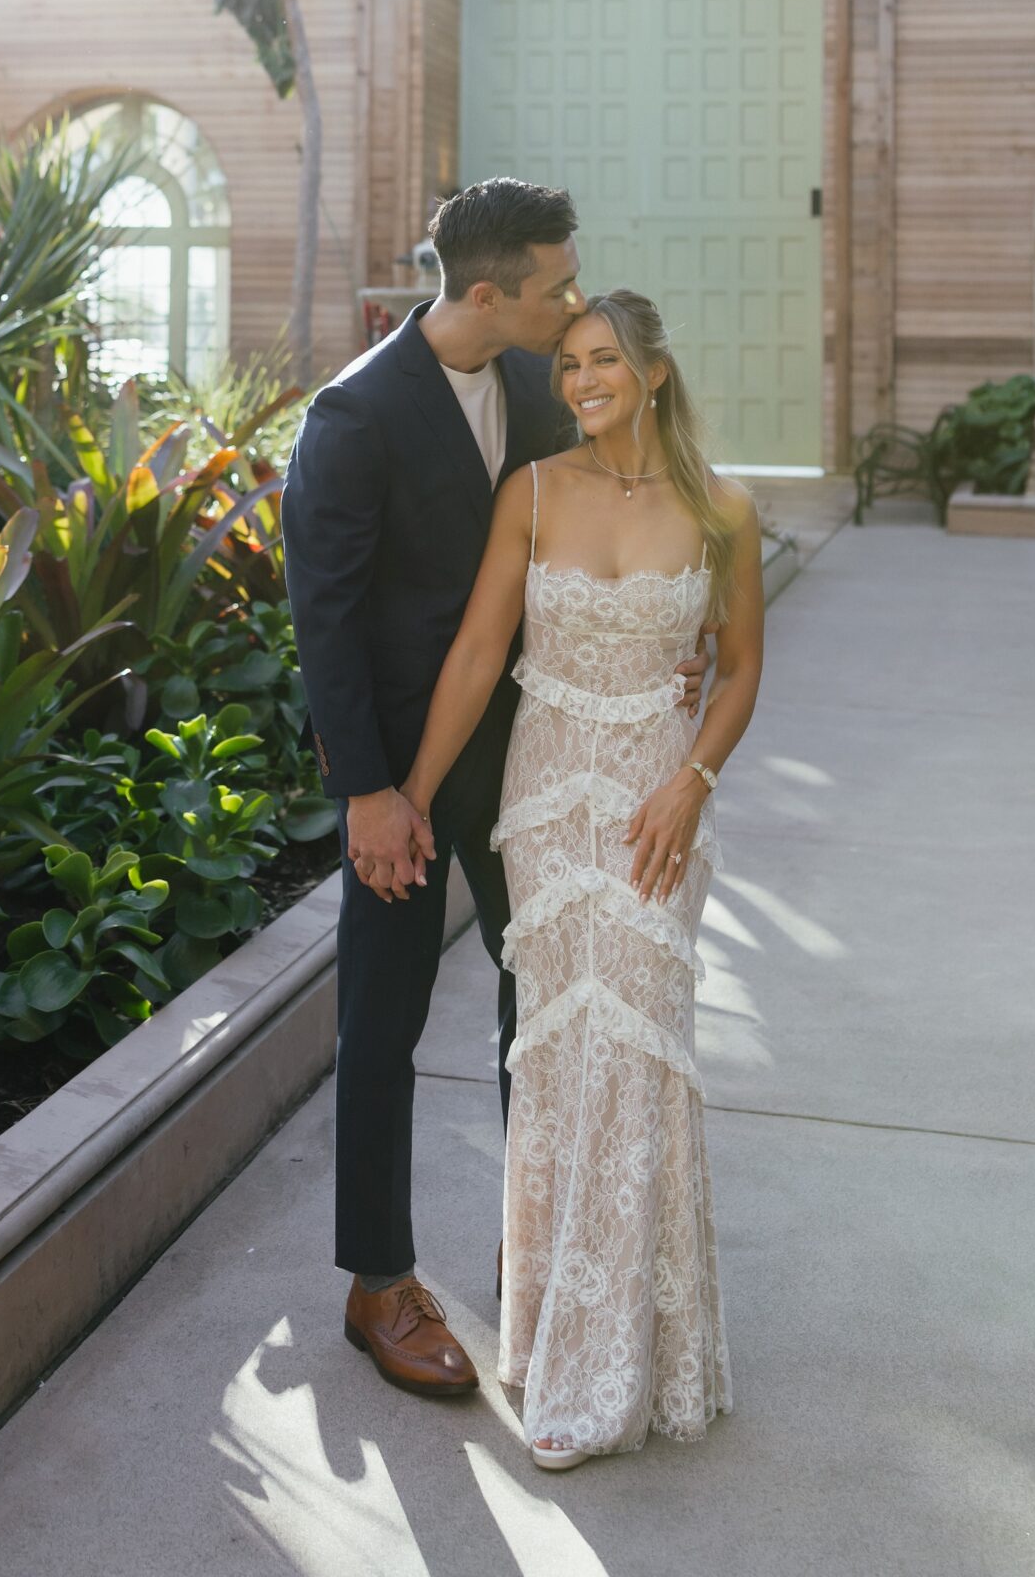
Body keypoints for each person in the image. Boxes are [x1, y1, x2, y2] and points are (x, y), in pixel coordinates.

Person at [282, 185, 706, 1397]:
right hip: (405, 785)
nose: (573, 306)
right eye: (554, 288)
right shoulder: (352, 416)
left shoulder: (537, 385)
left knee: (551, 1015)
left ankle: (547, 1262)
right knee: (383, 1022)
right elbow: (325, 620)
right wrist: (369, 789)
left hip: (539, 765)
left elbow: (621, 524)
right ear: (484, 293)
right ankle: (378, 1283)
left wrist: (669, 638)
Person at [401, 288, 763, 1466]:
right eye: (565, 363)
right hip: (546, 795)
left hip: (657, 801)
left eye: (602, 360)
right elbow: (475, 651)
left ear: (653, 372)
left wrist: (690, 781)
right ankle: (560, 1339)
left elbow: (741, 673)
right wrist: (408, 794)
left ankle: (621, 1366)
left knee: (641, 1044)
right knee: (560, 1053)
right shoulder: (535, 491)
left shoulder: (722, 509)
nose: (580, 379)